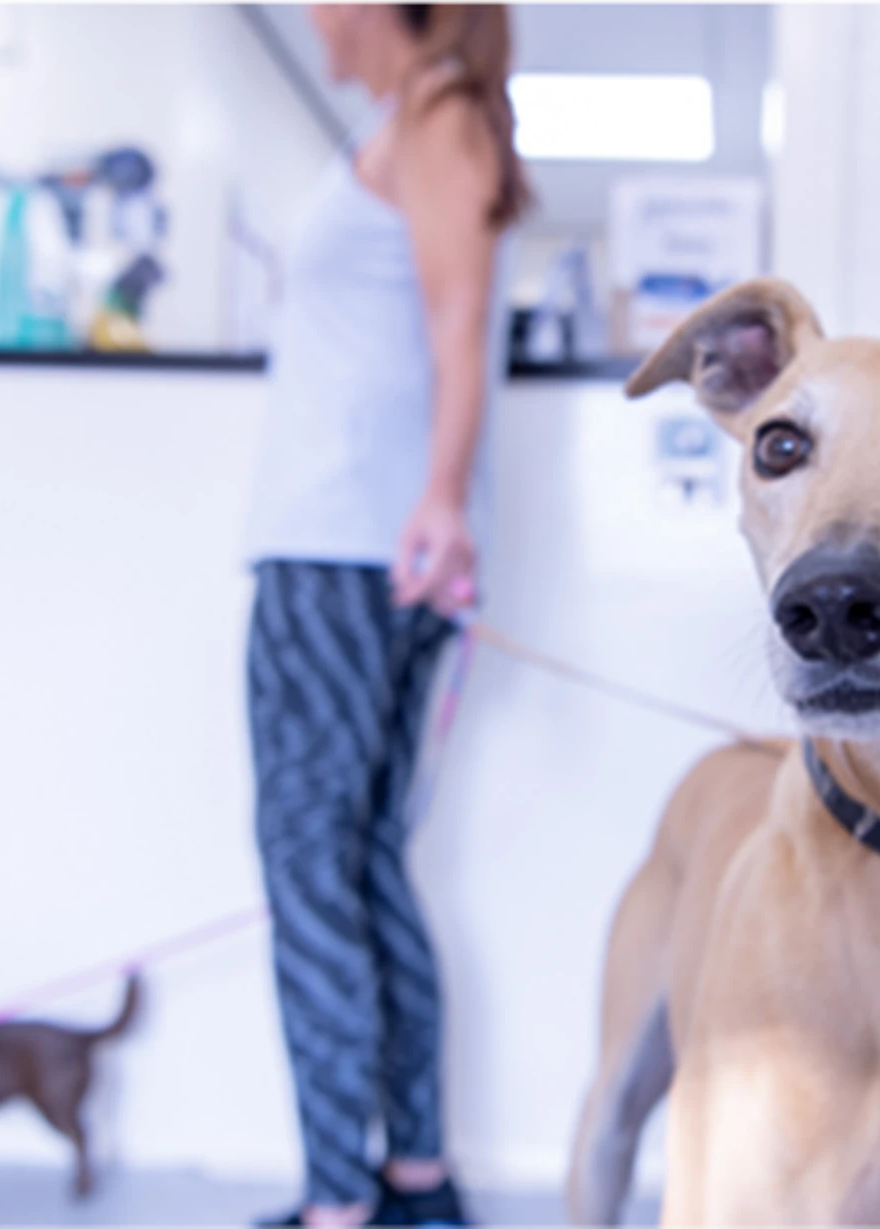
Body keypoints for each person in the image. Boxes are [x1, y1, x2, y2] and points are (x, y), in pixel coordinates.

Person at [239, 0, 527, 1226]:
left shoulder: (436, 115)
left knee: (311, 868)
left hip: (342, 548)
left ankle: (337, 1201)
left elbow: (456, 320)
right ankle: (410, 1179)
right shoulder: (422, 120)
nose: (312, 12)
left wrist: (444, 498)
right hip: (376, 544)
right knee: (360, 863)